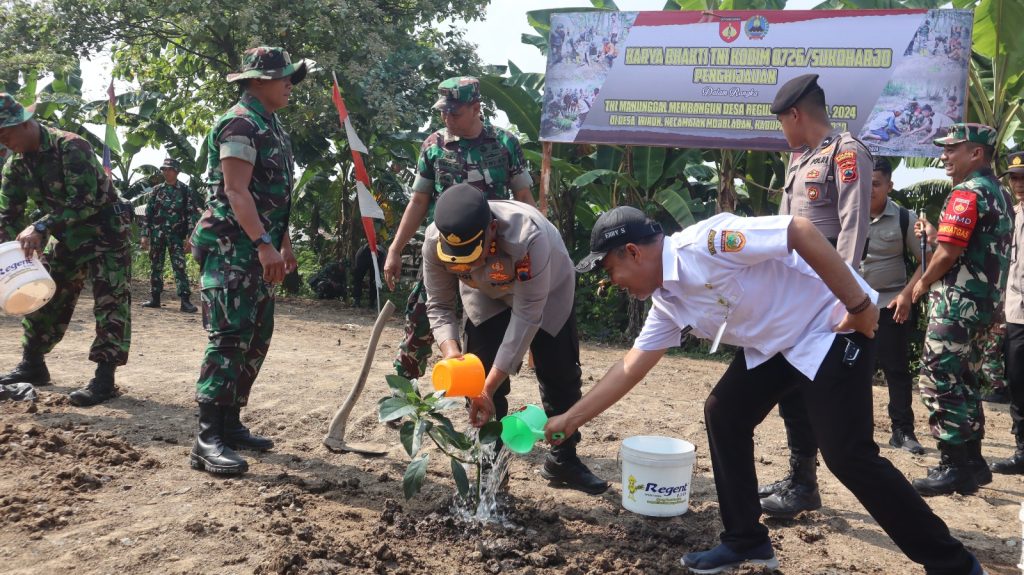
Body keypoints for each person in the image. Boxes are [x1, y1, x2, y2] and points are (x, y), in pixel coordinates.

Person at [552, 206, 986, 575]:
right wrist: (570, 420)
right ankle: (746, 540)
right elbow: (631, 365)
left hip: (831, 326)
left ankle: (954, 564)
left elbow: (798, 230)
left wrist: (858, 305)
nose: (614, 281)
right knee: (725, 412)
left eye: (611, 269)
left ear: (632, 251)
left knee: (848, 456)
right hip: (779, 346)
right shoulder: (668, 298)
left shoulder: (709, 243)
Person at [422, 184, 606, 494]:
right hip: (485, 294)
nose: (463, 264)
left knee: (560, 376)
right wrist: (453, 356)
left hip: (546, 293)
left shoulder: (527, 237)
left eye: (470, 254)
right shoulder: (433, 241)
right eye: (458, 259)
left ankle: (564, 460)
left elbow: (526, 318)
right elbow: (439, 304)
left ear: (492, 230)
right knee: (476, 370)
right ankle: (491, 469)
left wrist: (487, 386)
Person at [188, 46, 307, 475]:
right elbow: (236, 191)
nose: (290, 84)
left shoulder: (270, 125)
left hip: (259, 249)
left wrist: (283, 242)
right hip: (232, 250)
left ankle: (231, 424)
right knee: (228, 339)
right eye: (283, 77)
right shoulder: (239, 122)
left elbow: (273, 196)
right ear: (258, 80)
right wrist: (262, 243)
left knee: (255, 338)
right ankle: (207, 438)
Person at [761, 73, 872, 518]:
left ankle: (809, 481)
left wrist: (845, 299)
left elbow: (853, 228)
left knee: (821, 396)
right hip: (797, 298)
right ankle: (801, 479)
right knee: (792, 391)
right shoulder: (800, 158)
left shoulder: (846, 154)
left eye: (781, 121)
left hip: (828, 302)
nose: (782, 130)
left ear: (795, 114)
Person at [382, 76, 536, 381]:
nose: (446, 118)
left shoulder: (505, 144)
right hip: (443, 249)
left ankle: (479, 392)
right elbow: (418, 202)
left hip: (489, 254)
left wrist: (533, 247)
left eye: (454, 112)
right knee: (420, 319)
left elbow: (524, 199)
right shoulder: (434, 147)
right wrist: (395, 249)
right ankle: (403, 394)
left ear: (476, 108)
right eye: (443, 112)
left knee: (486, 329)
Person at [0, 93, 132, 407]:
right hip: (67, 235)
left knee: (110, 302)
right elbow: (7, 214)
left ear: (26, 123)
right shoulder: (16, 165)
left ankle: (105, 378)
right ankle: (33, 363)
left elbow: (87, 201)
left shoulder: (71, 147)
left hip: (105, 232)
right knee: (44, 294)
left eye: (6, 134)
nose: (3, 141)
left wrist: (42, 226)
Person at [909, 123, 1012, 496]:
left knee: (937, 377)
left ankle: (953, 466)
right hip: (986, 306)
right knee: (964, 379)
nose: (944, 156)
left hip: (957, 304)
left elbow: (949, 253)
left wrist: (921, 284)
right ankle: (974, 463)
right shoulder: (1000, 193)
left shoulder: (966, 193)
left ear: (976, 153)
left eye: (953, 149)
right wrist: (937, 237)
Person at [860, 158, 926, 454]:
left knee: (896, 371)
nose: (869, 189)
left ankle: (902, 431)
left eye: (875, 183)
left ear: (889, 185)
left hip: (889, 306)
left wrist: (907, 295)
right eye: (865, 182)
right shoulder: (846, 214)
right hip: (852, 307)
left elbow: (928, 261)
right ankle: (857, 431)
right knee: (851, 372)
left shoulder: (904, 217)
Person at [991, 150, 1024, 474]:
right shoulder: (1012, 214)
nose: (1018, 183)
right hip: (1016, 313)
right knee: (1017, 382)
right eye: (1014, 177)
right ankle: (1021, 450)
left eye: (1022, 177)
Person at [140, 157, 200, 313]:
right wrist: (144, 235)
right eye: (164, 169)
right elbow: (148, 214)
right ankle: (155, 298)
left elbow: (191, 215)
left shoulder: (185, 191)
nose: (166, 172)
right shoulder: (157, 190)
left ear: (177, 171)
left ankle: (185, 301)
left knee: (180, 267)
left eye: (169, 169)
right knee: (155, 266)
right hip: (157, 235)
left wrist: (190, 237)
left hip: (176, 236)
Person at [352, 241, 386, 308]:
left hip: (375, 256)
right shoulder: (381, 251)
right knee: (360, 278)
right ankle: (358, 300)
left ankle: (371, 302)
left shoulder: (381, 252)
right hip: (363, 256)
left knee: (373, 280)